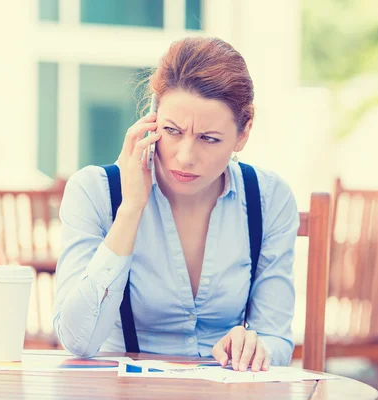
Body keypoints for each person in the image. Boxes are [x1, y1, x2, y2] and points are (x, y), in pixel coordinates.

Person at [53, 37, 300, 372]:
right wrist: (130, 210)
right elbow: (78, 341)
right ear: (152, 120)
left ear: (243, 134)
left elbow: (275, 337)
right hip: (121, 391)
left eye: (209, 139)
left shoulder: (269, 199)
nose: (185, 157)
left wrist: (256, 348)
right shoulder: (94, 191)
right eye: (172, 131)